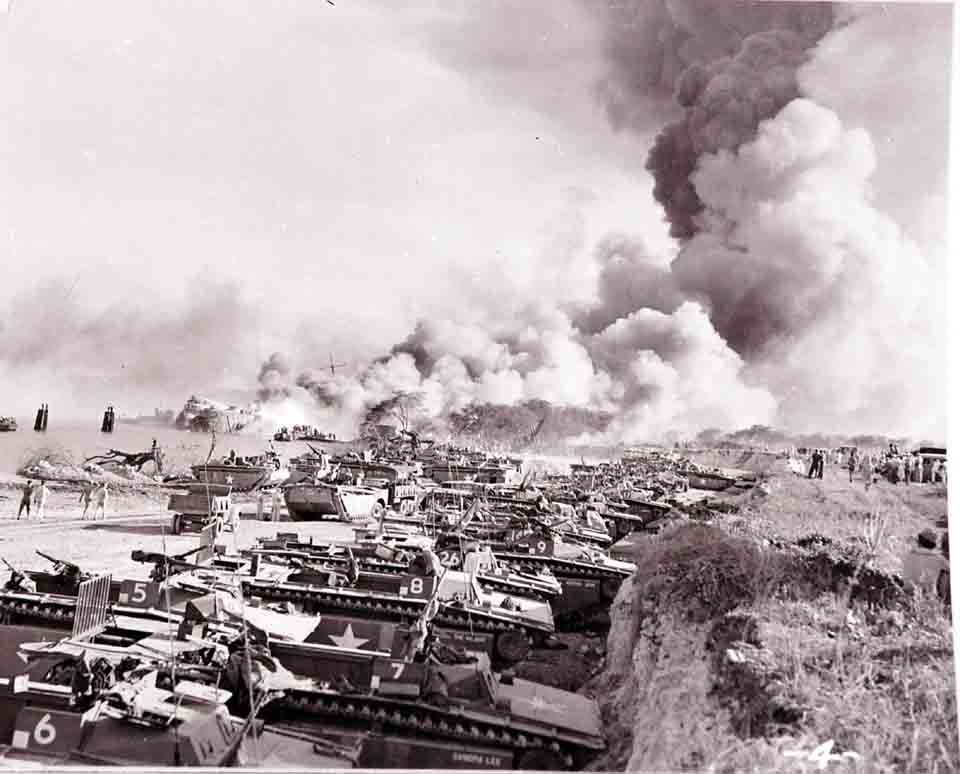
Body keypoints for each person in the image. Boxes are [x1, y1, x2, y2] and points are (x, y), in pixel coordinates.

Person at [902, 529, 949, 597]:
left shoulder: (908, 555)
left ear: (919, 542)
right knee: (945, 573)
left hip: (906, 593)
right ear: (933, 545)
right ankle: (943, 597)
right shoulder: (939, 559)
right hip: (928, 596)